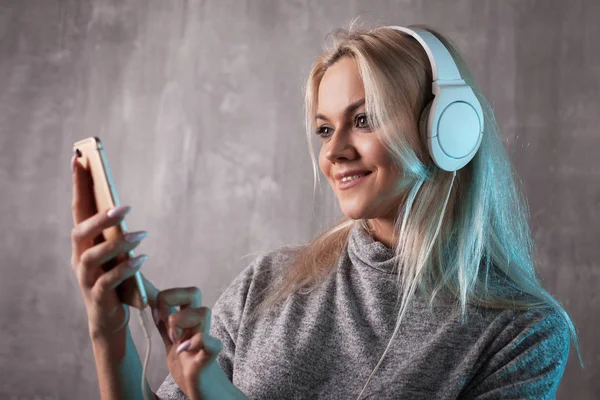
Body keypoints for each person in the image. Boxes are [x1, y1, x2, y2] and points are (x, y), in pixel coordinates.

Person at [71, 20, 582, 400]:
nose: (333, 151)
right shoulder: (266, 284)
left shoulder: (525, 333)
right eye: (323, 128)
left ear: (448, 131)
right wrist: (108, 327)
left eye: (364, 119)